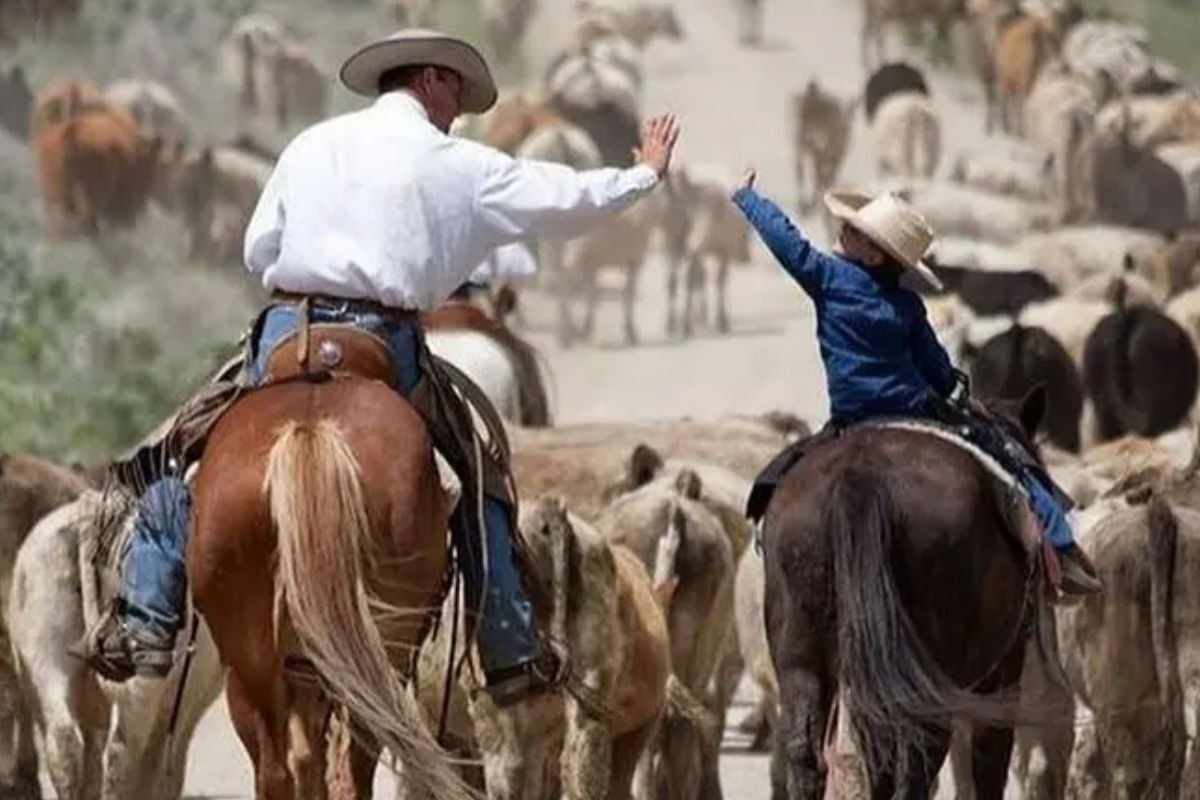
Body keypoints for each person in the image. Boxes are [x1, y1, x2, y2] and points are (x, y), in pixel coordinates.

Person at [88, 28, 682, 704]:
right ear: (430, 79)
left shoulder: (310, 144)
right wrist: (644, 174)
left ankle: (146, 616)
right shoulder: (458, 161)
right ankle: (508, 644)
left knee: (180, 452)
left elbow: (259, 249)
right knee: (479, 473)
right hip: (382, 338)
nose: (457, 110)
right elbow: (564, 199)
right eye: (456, 90)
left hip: (287, 331)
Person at [731, 172, 1101, 596]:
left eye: (856, 230)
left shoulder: (828, 280)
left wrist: (749, 199)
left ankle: (766, 544)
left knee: (778, 480)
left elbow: (788, 243)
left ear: (875, 255)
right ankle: (1062, 550)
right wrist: (957, 393)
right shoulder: (907, 305)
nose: (844, 228)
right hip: (915, 413)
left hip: (849, 419)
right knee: (1012, 461)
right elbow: (939, 373)